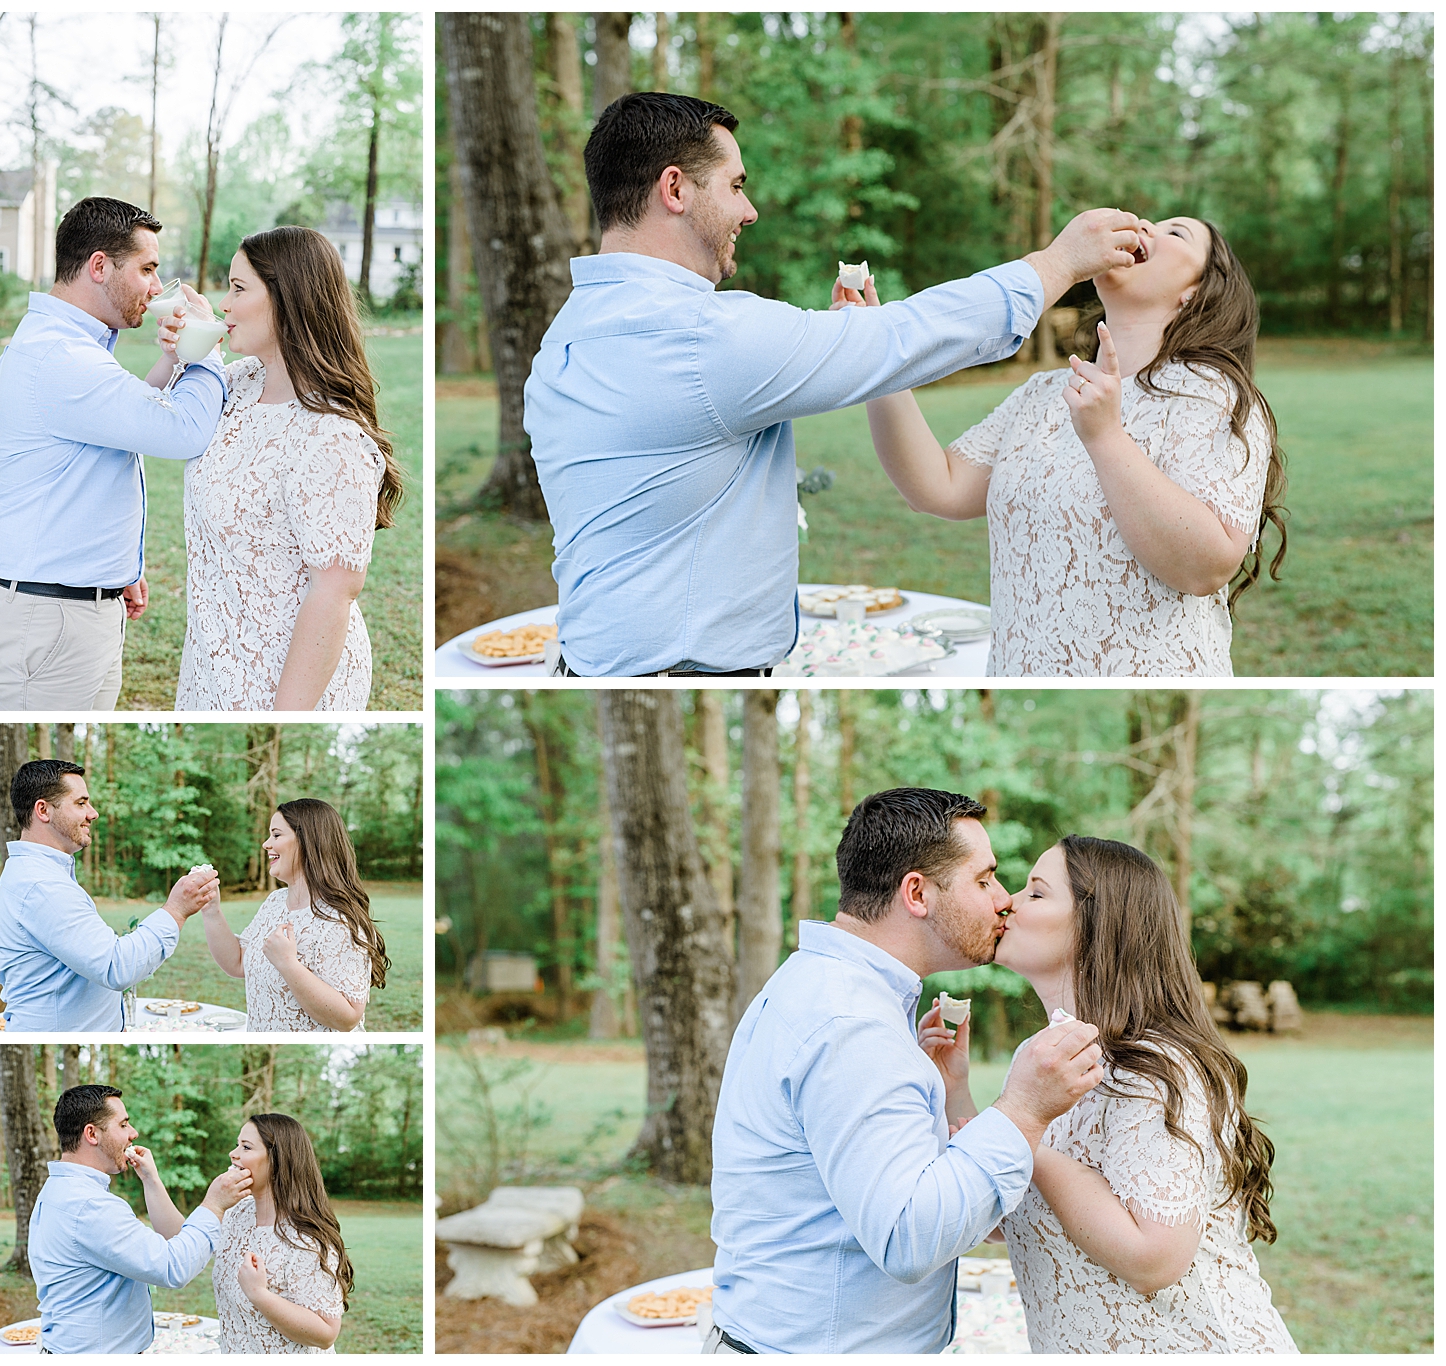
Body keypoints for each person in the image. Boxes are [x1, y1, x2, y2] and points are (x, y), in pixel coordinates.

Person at [523, 92, 1142, 677]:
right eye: (736, 186)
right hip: (680, 676)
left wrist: (852, 344)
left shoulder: (565, 339)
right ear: (676, 188)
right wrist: (1058, 263)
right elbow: (908, 336)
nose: (749, 210)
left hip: (591, 659)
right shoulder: (699, 338)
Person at [706, 788, 1106, 1354]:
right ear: (916, 892)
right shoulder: (852, 1024)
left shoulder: (831, 990)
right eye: (984, 879)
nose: (1003, 901)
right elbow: (908, 1237)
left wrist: (950, 1097)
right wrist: (1021, 1111)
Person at [861, 216, 1288, 676]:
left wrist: (1105, 436)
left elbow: (1204, 568)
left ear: (1197, 292)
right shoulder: (1043, 393)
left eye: (1175, 233)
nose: (1144, 225)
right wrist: (875, 355)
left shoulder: (1214, 395)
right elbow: (937, 487)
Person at [929, 836, 1297, 1352]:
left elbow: (1155, 1259)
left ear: (1097, 925)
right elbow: (1007, 1219)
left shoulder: (1158, 1069)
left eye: (1036, 892)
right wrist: (955, 1090)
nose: (1006, 900)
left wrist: (1026, 1145)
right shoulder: (1042, 1060)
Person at [0, 196, 227, 710]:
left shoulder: (65, 345)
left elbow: (121, 419)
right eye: (148, 269)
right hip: (47, 617)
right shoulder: (61, 357)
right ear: (100, 266)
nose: (157, 287)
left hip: (69, 606)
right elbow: (182, 429)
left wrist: (112, 568)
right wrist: (207, 347)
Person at [174, 226, 404, 711]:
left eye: (239, 289)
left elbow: (334, 591)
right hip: (212, 666)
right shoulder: (237, 385)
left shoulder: (332, 437)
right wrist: (180, 345)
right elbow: (153, 409)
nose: (225, 305)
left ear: (288, 297)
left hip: (285, 682)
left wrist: (289, 715)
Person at [0, 759, 218, 1032]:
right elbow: (115, 966)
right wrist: (176, 910)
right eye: (81, 803)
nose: (93, 813)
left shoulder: (36, 875)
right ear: (43, 810)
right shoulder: (42, 886)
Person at [29, 1084, 253, 1354]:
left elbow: (174, 1238)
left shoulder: (58, 1189)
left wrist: (151, 1179)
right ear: (92, 1134)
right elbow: (172, 1267)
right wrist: (215, 1205)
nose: (133, 1133)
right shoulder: (91, 1206)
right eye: (123, 1125)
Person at [199, 798, 389, 1031]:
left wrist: (288, 964)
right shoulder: (274, 902)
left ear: (309, 841)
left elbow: (348, 1018)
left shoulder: (340, 920)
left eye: (276, 835)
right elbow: (237, 963)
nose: (266, 844)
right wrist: (211, 910)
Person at [213, 1113, 351, 1353]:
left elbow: (326, 1334)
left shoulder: (307, 1238)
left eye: (246, 1147)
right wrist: (151, 1179)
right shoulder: (237, 1213)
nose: (233, 1153)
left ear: (277, 1161)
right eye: (237, 1144)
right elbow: (180, 1238)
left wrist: (259, 1294)